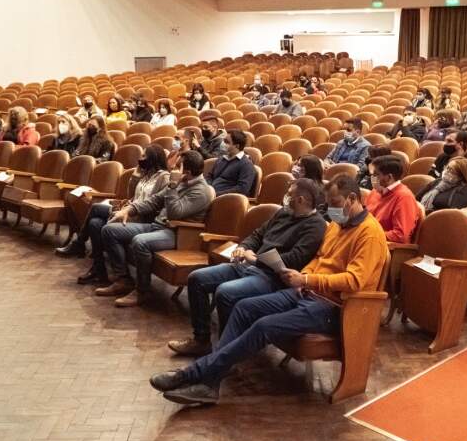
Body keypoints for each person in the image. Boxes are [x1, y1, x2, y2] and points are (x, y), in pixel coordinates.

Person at [149, 175, 388, 406]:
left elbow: (354, 280)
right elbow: (319, 258)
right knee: (244, 307)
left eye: (335, 203)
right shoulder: (337, 225)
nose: (332, 210)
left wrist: (307, 279)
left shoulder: (369, 233)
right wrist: (303, 278)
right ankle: (210, 382)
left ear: (352, 199)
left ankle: (192, 375)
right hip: (306, 292)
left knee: (264, 325)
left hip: (332, 307)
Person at [167, 178, 327, 356]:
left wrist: (257, 260)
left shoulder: (316, 226)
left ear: (300, 200)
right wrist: (243, 247)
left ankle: (227, 352)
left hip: (272, 277)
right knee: (197, 278)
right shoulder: (283, 212)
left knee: (225, 292)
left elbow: (295, 259)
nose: (286, 197)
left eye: (289, 194)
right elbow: (257, 235)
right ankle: (201, 340)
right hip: (248, 266)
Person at [97, 150, 214, 307]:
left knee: (140, 241)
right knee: (109, 230)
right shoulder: (182, 181)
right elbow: (155, 200)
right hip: (157, 226)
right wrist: (129, 210)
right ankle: (123, 280)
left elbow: (175, 213)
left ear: (187, 172)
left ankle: (142, 291)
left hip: (177, 234)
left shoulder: (202, 191)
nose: (173, 169)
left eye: (177, 167)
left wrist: (172, 185)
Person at [57, 144, 170, 264]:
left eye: (143, 156)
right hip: (130, 212)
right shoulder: (146, 175)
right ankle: (98, 268)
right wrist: (136, 175)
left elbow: (156, 203)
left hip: (141, 216)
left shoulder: (163, 177)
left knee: (95, 208)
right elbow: (131, 195)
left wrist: (131, 208)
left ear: (153, 157)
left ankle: (79, 244)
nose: (140, 159)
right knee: (95, 223)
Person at [365, 155, 421, 243]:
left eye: (375, 175)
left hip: (383, 246)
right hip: (368, 240)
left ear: (389, 177)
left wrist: (368, 235)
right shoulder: (375, 192)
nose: (372, 178)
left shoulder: (404, 197)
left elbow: (401, 235)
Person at [206, 130, 256, 196]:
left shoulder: (247, 164)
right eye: (224, 141)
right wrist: (208, 189)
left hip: (225, 198)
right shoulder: (221, 159)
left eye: (226, 142)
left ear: (237, 146)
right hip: (209, 194)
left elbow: (242, 189)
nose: (223, 144)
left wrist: (216, 194)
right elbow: (210, 176)